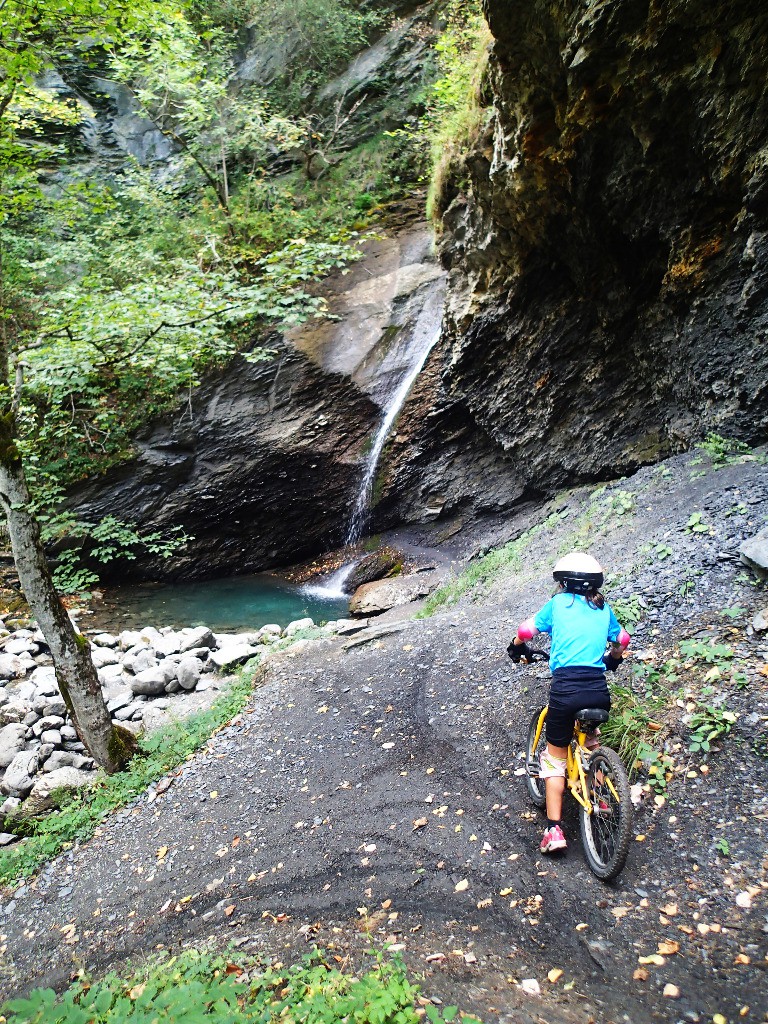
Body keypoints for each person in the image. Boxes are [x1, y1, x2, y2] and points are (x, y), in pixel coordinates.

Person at [509, 552, 630, 854]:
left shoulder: (558, 605)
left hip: (565, 690)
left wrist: (517, 646)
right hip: (598, 690)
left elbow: (526, 632)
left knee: (554, 758)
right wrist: (612, 658)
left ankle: (553, 831)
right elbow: (623, 640)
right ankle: (600, 796)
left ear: (562, 581)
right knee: (589, 741)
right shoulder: (603, 608)